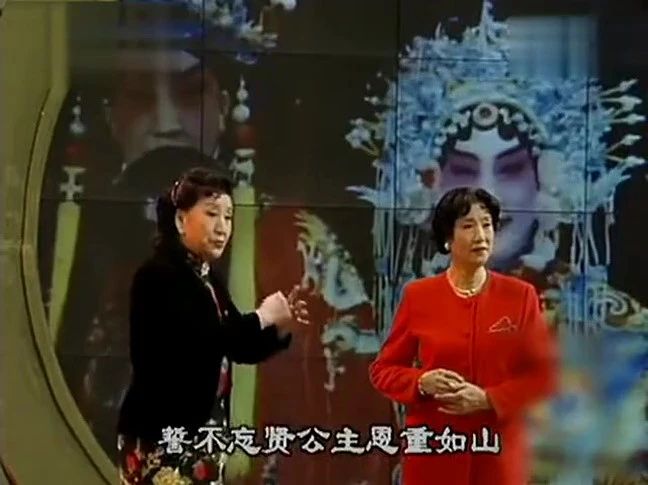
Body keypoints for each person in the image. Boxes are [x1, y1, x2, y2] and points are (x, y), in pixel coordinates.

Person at [116, 166, 309, 484]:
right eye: (211, 214)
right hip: (162, 435)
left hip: (203, 438)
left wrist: (282, 325)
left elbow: (239, 347)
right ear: (180, 220)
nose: (222, 228)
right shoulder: (159, 276)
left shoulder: (208, 280)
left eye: (229, 217)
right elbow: (205, 339)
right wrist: (263, 316)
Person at [368, 186, 558, 485]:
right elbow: (383, 370)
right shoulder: (419, 296)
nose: (481, 236)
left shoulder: (520, 296)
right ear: (448, 237)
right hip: (434, 453)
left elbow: (543, 375)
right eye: (468, 226)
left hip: (497, 456)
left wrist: (488, 399)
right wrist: (421, 381)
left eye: (487, 225)